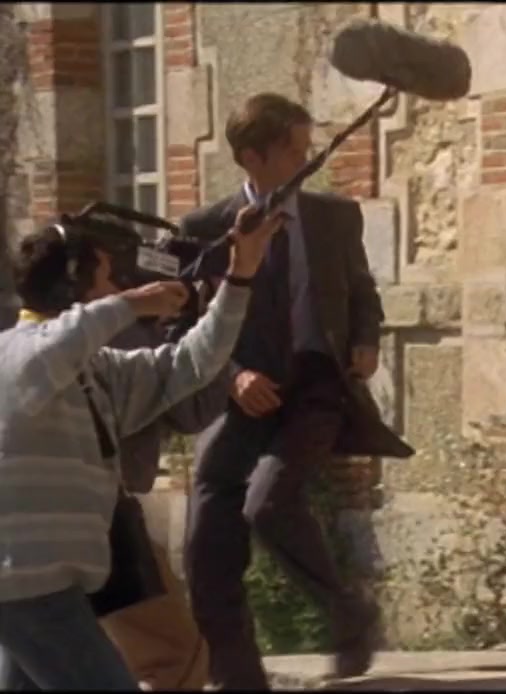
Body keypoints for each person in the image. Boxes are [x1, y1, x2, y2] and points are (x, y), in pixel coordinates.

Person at [180, 92, 412, 690]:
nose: (307, 163)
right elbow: (184, 326)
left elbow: (362, 290)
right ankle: (238, 676)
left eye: (309, 149)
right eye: (293, 152)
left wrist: (365, 338)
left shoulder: (334, 217)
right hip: (242, 395)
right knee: (207, 534)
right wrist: (233, 375)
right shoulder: (205, 230)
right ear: (252, 158)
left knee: (268, 502)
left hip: (316, 389)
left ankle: (348, 613)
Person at [0, 204, 282, 690]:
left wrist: (240, 278)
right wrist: (131, 305)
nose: (117, 288)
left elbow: (192, 363)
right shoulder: (14, 353)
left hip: (45, 583)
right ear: (71, 289)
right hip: (27, 582)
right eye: (108, 279)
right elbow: (49, 351)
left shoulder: (98, 371)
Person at [98, 305, 228, 691]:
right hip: (96, 517)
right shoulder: (109, 330)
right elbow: (192, 412)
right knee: (175, 658)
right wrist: (202, 322)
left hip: (31, 529)